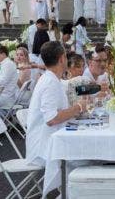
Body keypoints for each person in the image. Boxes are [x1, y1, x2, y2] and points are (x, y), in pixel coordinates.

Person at [26, 41, 87, 176]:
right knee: (88, 156)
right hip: (43, 146)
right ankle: (70, 192)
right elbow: (52, 119)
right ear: (61, 59)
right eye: (66, 56)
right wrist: (78, 107)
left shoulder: (52, 79)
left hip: (52, 138)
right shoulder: (50, 82)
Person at [0, 44, 19, 108]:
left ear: (3, 54)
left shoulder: (7, 64)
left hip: (6, 98)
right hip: (5, 95)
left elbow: (2, 82)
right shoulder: (6, 64)